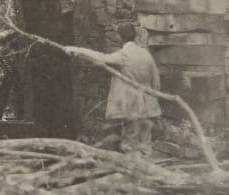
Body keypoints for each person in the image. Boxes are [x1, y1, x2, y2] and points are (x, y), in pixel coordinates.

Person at [69, 21, 162, 157]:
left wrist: (78, 50)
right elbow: (156, 81)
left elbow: (101, 57)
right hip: (148, 103)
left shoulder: (124, 55)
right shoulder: (145, 53)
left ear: (120, 37)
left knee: (130, 139)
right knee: (145, 139)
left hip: (132, 104)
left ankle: (132, 170)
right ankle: (148, 166)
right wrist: (153, 99)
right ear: (134, 35)